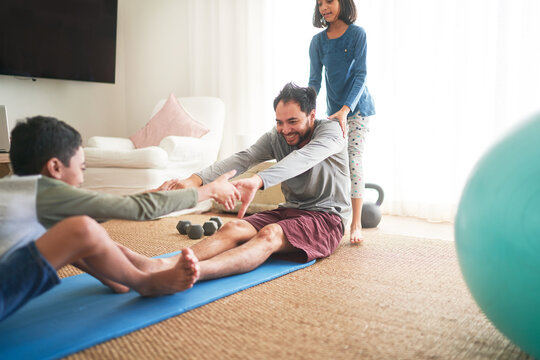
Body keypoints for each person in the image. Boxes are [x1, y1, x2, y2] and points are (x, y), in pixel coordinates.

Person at [0, 116, 240, 321]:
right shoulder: (43, 192)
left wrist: (151, 194)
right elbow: (135, 209)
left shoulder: (16, 189)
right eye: (81, 168)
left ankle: (118, 279)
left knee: (71, 226)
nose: (82, 179)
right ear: (54, 167)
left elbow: (105, 208)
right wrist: (208, 191)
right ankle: (144, 283)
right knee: (80, 227)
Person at [149, 82, 351, 282]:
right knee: (232, 228)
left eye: (292, 121)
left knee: (270, 234)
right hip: (290, 210)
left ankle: (193, 273)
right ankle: (165, 265)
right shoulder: (277, 136)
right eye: (279, 122)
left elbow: (303, 158)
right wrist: (194, 180)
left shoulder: (332, 132)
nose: (285, 129)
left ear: (312, 116)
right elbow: (244, 157)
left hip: (327, 217)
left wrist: (259, 180)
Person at [309, 0, 376, 243]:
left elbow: (361, 74)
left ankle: (356, 224)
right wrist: (305, 107)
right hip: (332, 113)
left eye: (329, 1)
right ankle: (333, 217)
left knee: (353, 161)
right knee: (334, 166)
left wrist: (346, 109)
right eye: (319, 4)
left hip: (357, 110)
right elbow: (314, 81)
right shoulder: (318, 42)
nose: (323, 7)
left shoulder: (358, 34)